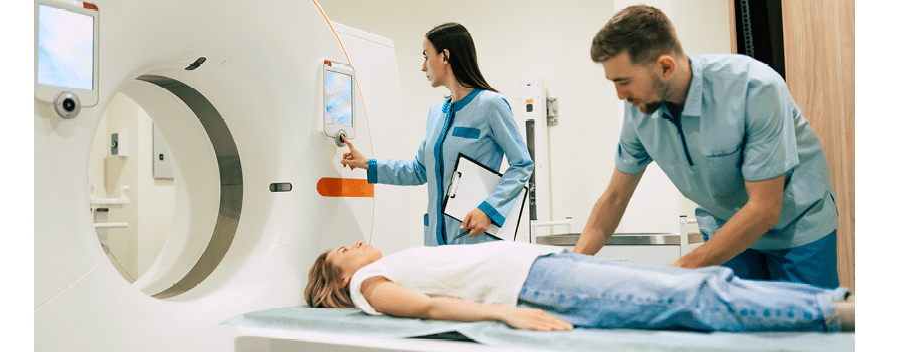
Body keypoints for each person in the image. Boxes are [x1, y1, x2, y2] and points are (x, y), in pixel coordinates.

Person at [575, 5, 841, 288]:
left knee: (806, 314)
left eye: (624, 82)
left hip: (795, 228)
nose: (620, 95)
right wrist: (570, 267)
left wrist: (675, 273)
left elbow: (764, 208)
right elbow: (615, 198)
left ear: (665, 67)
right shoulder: (639, 111)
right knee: (731, 316)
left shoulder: (754, 87)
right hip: (725, 226)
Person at [305, 240, 855, 332]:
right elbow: (423, 308)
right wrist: (503, 314)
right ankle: (838, 311)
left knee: (697, 285)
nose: (357, 243)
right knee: (694, 295)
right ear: (342, 277)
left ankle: (839, 305)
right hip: (537, 284)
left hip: (545, 267)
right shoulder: (369, 283)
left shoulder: (384, 262)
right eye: (344, 250)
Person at [339, 22, 533, 246]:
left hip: (472, 237)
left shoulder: (491, 105)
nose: (423, 67)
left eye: (426, 56)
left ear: (445, 56)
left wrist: (488, 210)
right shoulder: (436, 113)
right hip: (435, 240)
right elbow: (419, 170)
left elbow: (522, 165)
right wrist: (367, 164)